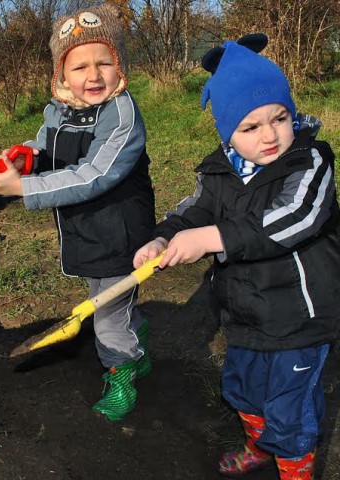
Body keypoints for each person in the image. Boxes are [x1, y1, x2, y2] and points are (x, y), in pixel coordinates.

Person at [133, 33, 340, 479]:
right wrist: (164, 238)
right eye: (250, 127)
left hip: (299, 317)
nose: (269, 136)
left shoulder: (310, 162)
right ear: (228, 131)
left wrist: (214, 238)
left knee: (292, 408)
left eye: (279, 118)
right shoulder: (220, 170)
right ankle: (258, 448)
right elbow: (195, 209)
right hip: (244, 312)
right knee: (243, 389)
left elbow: (295, 217)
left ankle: (294, 467)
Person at [0, 3, 155, 422]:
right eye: (79, 67)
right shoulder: (58, 108)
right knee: (106, 301)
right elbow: (46, 146)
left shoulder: (122, 116)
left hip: (121, 233)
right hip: (87, 228)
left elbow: (92, 176)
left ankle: (121, 371)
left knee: (106, 319)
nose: (93, 76)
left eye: (104, 63)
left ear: (120, 66)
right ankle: (134, 333)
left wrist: (23, 188)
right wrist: (26, 158)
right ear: (61, 75)